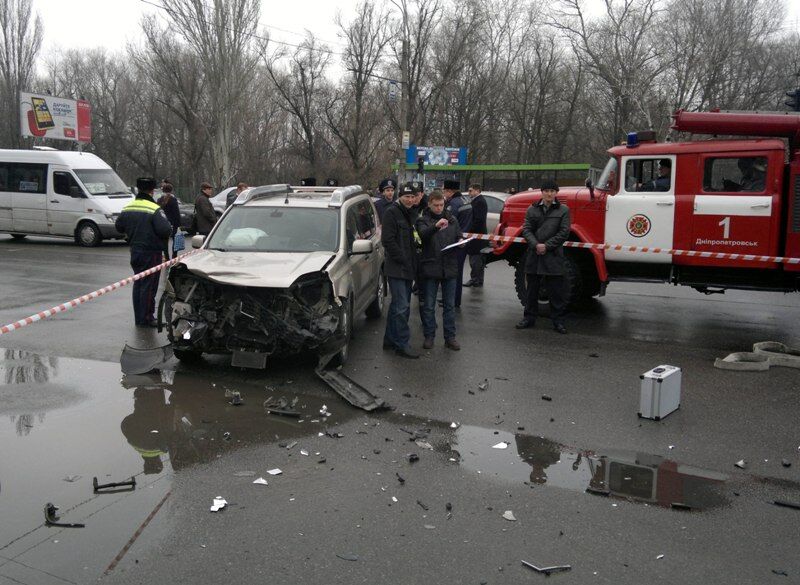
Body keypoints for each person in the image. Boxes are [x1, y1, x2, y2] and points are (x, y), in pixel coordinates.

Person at [115, 177, 172, 327]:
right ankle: (146, 318)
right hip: (151, 251)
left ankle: (139, 317)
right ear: (152, 191)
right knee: (149, 285)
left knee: (139, 283)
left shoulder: (129, 207)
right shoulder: (154, 208)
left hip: (135, 250)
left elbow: (119, 226)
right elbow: (165, 230)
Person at [515, 179, 570, 334]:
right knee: (531, 291)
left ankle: (558, 321)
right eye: (546, 190)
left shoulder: (564, 210)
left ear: (556, 193)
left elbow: (564, 232)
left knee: (555, 292)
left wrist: (547, 246)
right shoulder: (532, 209)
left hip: (553, 256)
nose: (549, 194)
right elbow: (526, 229)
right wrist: (536, 245)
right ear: (542, 192)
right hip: (534, 255)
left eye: (552, 191)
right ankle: (528, 318)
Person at [416, 190, 461, 350]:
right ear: (429, 204)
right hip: (431, 265)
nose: (439, 208)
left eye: (441, 205)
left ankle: (450, 337)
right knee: (429, 305)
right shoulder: (423, 220)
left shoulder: (452, 219)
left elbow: (458, 235)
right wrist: (435, 226)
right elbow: (422, 235)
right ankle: (429, 335)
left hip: (449, 267)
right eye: (436, 205)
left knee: (449, 305)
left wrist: (461, 241)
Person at [381, 182, 421, 359]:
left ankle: (389, 340)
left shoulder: (411, 213)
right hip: (397, 267)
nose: (410, 200)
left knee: (398, 305)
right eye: (407, 197)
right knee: (402, 306)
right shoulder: (391, 212)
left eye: (413, 197)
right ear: (400, 196)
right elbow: (388, 241)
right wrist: (403, 259)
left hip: (408, 267)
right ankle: (402, 344)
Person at [442, 179, 472, 308]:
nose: (444, 193)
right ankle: (455, 300)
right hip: (464, 241)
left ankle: (452, 300)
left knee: (452, 273)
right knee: (458, 272)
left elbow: (449, 225)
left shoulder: (452, 204)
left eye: (444, 190)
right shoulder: (466, 200)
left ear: (449, 191)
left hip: (455, 242)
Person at [464, 183, 488, 287]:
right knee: (476, 258)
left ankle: (475, 280)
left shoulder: (479, 202)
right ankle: (477, 279)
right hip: (476, 235)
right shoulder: (477, 201)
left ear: (477, 191)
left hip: (477, 235)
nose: (469, 193)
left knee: (475, 259)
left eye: (470, 191)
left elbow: (478, 219)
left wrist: (470, 231)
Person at [157, 182, 181, 257]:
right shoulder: (173, 199)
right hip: (173, 222)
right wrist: (178, 224)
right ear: (171, 190)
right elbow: (176, 212)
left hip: (163, 222)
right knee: (175, 239)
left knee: (164, 240)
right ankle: (174, 255)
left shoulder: (159, 199)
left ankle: (166, 256)